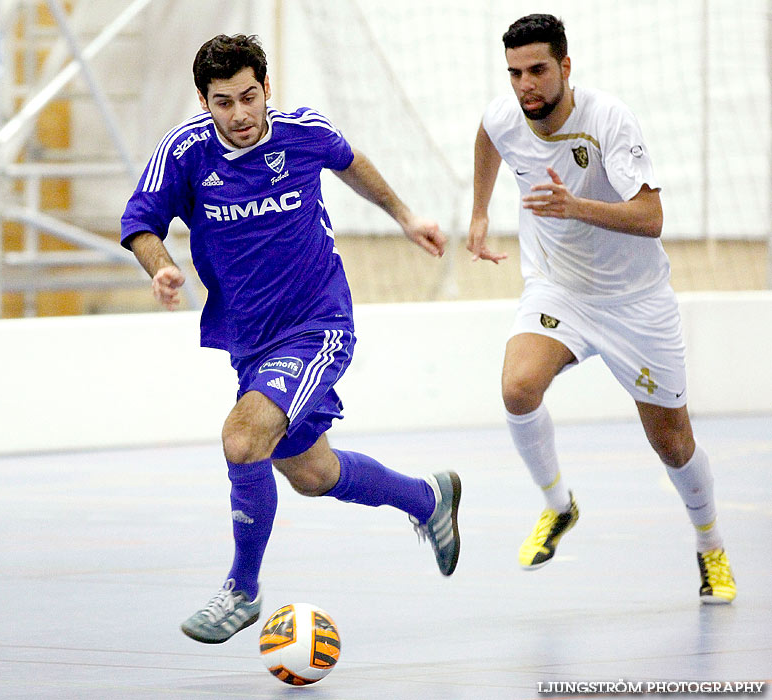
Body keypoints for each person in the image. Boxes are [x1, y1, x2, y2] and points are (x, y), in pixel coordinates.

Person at [120, 34, 461, 644]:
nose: (240, 114)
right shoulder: (184, 153)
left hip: (317, 325)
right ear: (204, 102)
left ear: (266, 89)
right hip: (250, 341)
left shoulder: (303, 132)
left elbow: (351, 161)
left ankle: (242, 590)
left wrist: (406, 217)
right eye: (224, 102)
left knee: (243, 437)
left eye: (250, 97)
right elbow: (141, 221)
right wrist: (161, 268)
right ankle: (426, 499)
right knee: (312, 473)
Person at [467, 14, 735, 603]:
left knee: (672, 443)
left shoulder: (609, 120)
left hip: (636, 304)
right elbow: (488, 136)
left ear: (565, 66)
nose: (525, 85)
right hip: (558, 289)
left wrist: (574, 208)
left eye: (538, 70)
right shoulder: (506, 113)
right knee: (518, 388)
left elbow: (652, 218)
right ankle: (558, 506)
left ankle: (710, 544)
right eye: (514, 73)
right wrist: (480, 213)